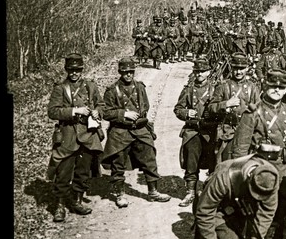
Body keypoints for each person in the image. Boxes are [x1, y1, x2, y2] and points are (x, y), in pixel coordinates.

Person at [227, 70, 286, 239]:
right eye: (273, 87)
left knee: (278, 219)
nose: (277, 91)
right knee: (253, 217)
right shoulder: (252, 113)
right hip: (258, 174)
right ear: (264, 85)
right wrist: (242, 180)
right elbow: (240, 151)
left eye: (281, 87)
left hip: (283, 173)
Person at [100, 57, 169, 207]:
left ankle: (153, 191)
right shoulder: (112, 91)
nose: (128, 75)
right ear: (120, 72)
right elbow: (105, 113)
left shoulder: (140, 87)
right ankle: (120, 194)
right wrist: (123, 114)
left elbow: (146, 105)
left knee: (149, 157)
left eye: (131, 72)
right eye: (125, 72)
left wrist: (140, 117)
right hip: (120, 131)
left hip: (139, 129)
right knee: (118, 163)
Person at [46, 53, 104, 222]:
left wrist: (97, 112)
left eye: (77, 70)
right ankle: (60, 206)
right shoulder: (60, 88)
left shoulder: (90, 86)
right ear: (67, 70)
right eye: (71, 70)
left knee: (82, 171)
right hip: (68, 136)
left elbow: (101, 105)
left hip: (88, 135)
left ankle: (77, 201)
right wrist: (74, 111)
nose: (74, 73)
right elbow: (52, 111)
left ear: (81, 69)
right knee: (63, 173)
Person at [173, 57, 220, 208]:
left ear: (209, 72)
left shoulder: (215, 89)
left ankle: (211, 192)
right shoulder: (188, 90)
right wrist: (187, 113)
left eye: (202, 71)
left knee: (214, 160)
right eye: (197, 71)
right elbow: (177, 109)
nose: (199, 74)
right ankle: (190, 192)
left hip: (210, 131)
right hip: (193, 131)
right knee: (191, 162)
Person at [209, 53, 261, 162]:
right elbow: (211, 108)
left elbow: (259, 111)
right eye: (236, 68)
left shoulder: (252, 87)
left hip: (247, 134)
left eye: (242, 68)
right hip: (228, 132)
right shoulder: (223, 86)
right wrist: (226, 104)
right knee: (226, 167)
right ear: (231, 68)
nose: (238, 72)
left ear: (247, 68)